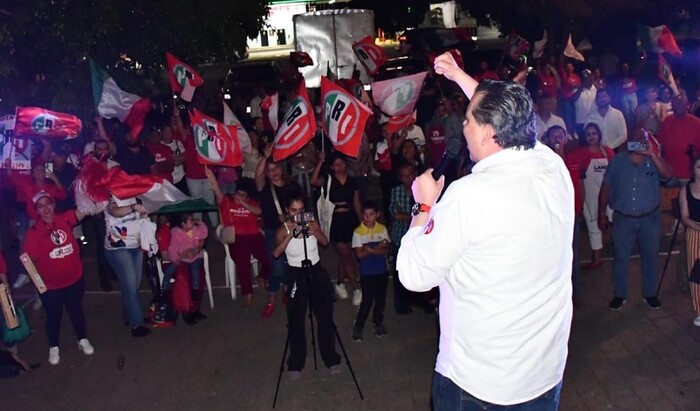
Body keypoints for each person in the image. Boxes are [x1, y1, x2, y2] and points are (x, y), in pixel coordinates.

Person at [398, 52, 574, 409]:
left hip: (479, 386)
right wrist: (459, 75)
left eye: (467, 120)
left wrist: (424, 206)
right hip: (544, 373)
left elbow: (414, 276)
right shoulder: (551, 165)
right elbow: (509, 118)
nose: (462, 126)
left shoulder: (468, 197)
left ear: (489, 132)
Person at [598, 129, 673, 310]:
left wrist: (652, 154)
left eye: (642, 139)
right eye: (634, 139)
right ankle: (620, 294)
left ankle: (650, 293)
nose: (638, 142)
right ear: (628, 141)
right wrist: (601, 214)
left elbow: (668, 175)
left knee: (651, 257)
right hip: (624, 220)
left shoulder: (653, 161)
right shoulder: (617, 161)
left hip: (650, 220)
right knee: (621, 258)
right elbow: (606, 187)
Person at [272, 194, 341, 380]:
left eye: (301, 210)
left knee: (325, 315)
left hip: (315, 270)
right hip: (295, 273)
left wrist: (315, 230)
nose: (298, 214)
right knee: (296, 319)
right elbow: (276, 253)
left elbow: (325, 242)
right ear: (287, 210)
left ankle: (330, 357)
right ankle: (296, 362)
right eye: (294, 211)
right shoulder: (282, 229)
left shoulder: (311, 222)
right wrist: (290, 234)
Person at [22, 192, 94, 365]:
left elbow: (83, 210)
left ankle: (82, 339)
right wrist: (40, 286)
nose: (46, 208)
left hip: (74, 279)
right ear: (36, 211)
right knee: (54, 316)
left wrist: (92, 192)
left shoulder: (65, 219)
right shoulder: (33, 233)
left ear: (53, 204)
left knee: (76, 310)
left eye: (48, 203)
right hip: (51, 286)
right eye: (40, 206)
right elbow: (27, 261)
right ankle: (54, 346)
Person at [206, 169, 273, 314]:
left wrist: (244, 203)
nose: (239, 197)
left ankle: (262, 276)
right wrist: (211, 176)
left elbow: (259, 212)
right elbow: (216, 189)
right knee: (242, 263)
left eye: (243, 195)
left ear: (248, 197)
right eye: (238, 194)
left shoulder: (251, 203)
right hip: (237, 237)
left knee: (270, 256)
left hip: (254, 235)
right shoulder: (227, 202)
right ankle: (247, 294)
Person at [311, 151, 362, 306]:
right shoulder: (327, 179)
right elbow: (313, 181)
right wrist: (320, 162)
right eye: (336, 164)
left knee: (345, 255)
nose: (339, 166)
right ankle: (357, 288)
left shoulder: (352, 181)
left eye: (341, 163)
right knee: (347, 257)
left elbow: (357, 203)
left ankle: (339, 283)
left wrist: (362, 223)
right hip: (335, 221)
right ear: (332, 167)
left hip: (350, 219)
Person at [542, 126, 584, 301]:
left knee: (572, 254)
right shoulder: (544, 162)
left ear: (567, 138)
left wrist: (581, 206)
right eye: (554, 136)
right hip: (551, 216)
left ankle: (574, 293)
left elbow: (580, 184)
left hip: (572, 214)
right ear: (547, 140)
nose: (558, 138)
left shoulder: (575, 158)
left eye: (561, 135)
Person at [103, 188, 152, 337]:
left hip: (135, 244)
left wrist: (144, 213)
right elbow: (114, 211)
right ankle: (136, 325)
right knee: (131, 285)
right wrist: (133, 207)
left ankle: (130, 315)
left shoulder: (131, 194)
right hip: (118, 248)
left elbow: (140, 216)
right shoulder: (106, 197)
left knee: (133, 284)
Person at [569, 123, 615, 269]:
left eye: (594, 133)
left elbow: (616, 174)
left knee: (615, 223)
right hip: (590, 196)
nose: (591, 137)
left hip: (609, 195)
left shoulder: (608, 152)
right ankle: (597, 258)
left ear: (599, 135)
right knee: (593, 226)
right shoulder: (580, 153)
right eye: (588, 134)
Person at [351, 201, 391, 342]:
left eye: (371, 214)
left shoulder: (382, 229)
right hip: (367, 272)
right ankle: (359, 325)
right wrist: (377, 248)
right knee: (367, 300)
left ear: (377, 215)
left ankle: (378, 322)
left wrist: (370, 249)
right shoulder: (358, 232)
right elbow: (359, 254)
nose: (368, 218)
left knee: (380, 299)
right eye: (365, 215)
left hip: (382, 270)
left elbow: (386, 249)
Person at [167, 212, 208, 324]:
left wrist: (195, 251)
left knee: (198, 280)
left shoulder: (195, 229)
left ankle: (195, 309)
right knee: (184, 286)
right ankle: (186, 311)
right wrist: (180, 257)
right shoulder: (176, 233)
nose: (193, 222)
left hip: (195, 259)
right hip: (182, 263)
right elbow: (172, 250)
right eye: (190, 220)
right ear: (183, 223)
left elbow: (203, 236)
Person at [679, 156, 700, 326]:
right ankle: (699, 311)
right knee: (695, 272)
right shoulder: (686, 190)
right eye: (699, 167)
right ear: (693, 169)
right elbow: (685, 217)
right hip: (694, 231)